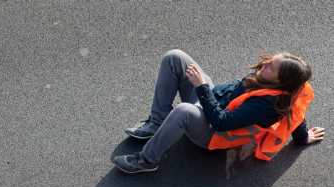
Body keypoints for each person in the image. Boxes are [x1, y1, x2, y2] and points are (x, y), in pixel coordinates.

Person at [113, 49, 325, 173]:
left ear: (281, 81)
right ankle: (157, 123)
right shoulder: (276, 82)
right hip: (212, 101)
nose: (266, 63)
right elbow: (299, 115)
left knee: (184, 111)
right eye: (271, 60)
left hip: (212, 132)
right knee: (175, 57)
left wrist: (202, 87)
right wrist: (302, 136)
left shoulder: (266, 105)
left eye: (271, 66)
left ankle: (147, 160)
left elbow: (221, 122)